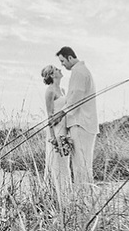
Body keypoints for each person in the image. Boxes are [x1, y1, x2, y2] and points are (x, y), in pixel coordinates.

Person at [49, 46, 98, 186]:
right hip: (81, 123)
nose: (62, 65)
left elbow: (76, 97)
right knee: (82, 165)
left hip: (81, 123)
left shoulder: (79, 72)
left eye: (63, 61)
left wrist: (61, 113)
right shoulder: (81, 71)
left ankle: (84, 199)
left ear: (70, 58)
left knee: (81, 166)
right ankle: (85, 198)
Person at [41, 65, 72, 203]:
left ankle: (65, 194)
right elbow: (49, 116)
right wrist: (53, 138)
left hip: (64, 128)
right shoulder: (50, 91)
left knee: (65, 162)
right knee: (56, 161)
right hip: (56, 129)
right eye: (57, 70)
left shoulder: (63, 90)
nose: (60, 70)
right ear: (52, 75)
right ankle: (53, 195)